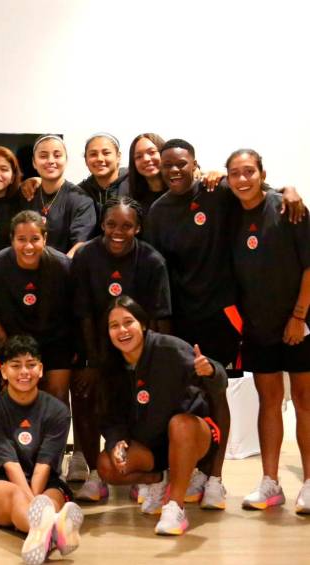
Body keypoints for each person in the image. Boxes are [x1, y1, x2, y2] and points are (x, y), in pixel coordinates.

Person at [144, 138, 303, 508]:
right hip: (179, 320)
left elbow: (257, 195)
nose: (175, 170)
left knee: (216, 392)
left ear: (195, 164)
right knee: (185, 397)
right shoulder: (159, 211)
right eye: (167, 165)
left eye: (181, 163)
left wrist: (289, 189)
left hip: (221, 317)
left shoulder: (217, 192)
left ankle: (216, 478)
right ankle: (195, 472)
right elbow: (157, 271)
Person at [69, 196, 172, 500]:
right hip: (98, 349)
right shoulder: (86, 257)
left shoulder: (153, 261)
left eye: (127, 225)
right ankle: (93, 474)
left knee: (140, 404)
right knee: (86, 394)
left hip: (138, 351)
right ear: (102, 224)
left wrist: (149, 363)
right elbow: (83, 314)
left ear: (138, 228)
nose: (118, 231)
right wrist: (93, 364)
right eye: (111, 224)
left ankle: (144, 474)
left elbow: (159, 317)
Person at [96, 296, 227, 535]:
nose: (122, 330)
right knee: (107, 466)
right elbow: (110, 416)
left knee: (180, 424)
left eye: (128, 322)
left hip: (192, 437)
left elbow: (218, 383)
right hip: (151, 448)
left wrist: (210, 371)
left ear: (143, 324)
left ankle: (175, 507)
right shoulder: (109, 366)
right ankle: (159, 478)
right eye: (114, 326)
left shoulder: (170, 349)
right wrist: (116, 442)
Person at [226, 149, 310, 513]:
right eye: (235, 173)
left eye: (249, 172)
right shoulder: (228, 214)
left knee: (306, 402)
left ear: (262, 173)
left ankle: (308, 482)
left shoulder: (288, 209)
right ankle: (270, 482)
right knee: (269, 401)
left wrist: (299, 315)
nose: (242, 179)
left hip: (299, 323)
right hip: (258, 327)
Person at [0, 335, 83, 564]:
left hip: (45, 480)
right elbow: (10, 465)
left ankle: (43, 530)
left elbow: (44, 464)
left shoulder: (58, 411)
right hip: (0, 481)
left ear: (41, 370)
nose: (24, 372)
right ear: (3, 371)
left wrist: (37, 502)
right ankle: (55, 528)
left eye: (31, 365)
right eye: (16, 366)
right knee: (15, 496)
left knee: (51, 498)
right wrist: (33, 503)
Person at [0, 211, 74, 403]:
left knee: (58, 395)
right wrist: (10, 353)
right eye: (21, 239)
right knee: (16, 397)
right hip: (14, 342)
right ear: (12, 240)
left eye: (35, 239)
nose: (28, 246)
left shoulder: (63, 266)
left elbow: (74, 314)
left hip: (55, 341)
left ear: (45, 239)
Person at [26, 134, 95, 256]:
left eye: (57, 155)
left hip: (64, 269)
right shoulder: (28, 193)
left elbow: (80, 245)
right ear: (34, 162)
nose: (51, 161)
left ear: (66, 160)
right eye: (43, 156)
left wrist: (61, 269)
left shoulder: (81, 199)